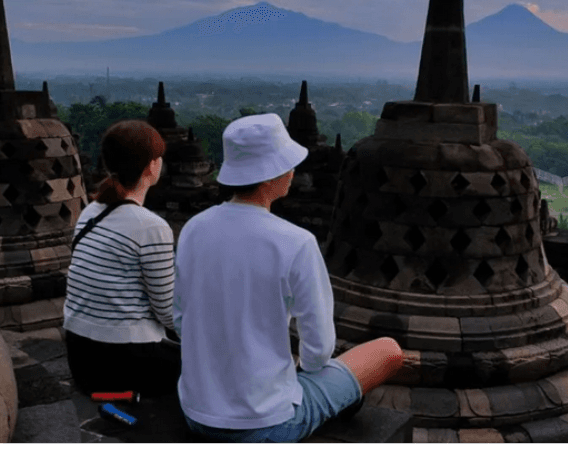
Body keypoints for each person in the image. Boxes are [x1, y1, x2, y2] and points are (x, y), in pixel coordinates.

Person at [173, 113, 403, 443]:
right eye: (287, 165)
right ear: (270, 177)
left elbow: (181, 321)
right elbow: (319, 350)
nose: (293, 172)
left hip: (196, 411)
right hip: (265, 424)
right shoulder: (295, 242)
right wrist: (293, 371)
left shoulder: (194, 229)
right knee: (388, 351)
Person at [63, 119, 180, 396]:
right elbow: (168, 312)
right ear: (153, 166)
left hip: (81, 356)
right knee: (220, 367)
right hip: (125, 360)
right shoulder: (151, 227)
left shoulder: (91, 211)